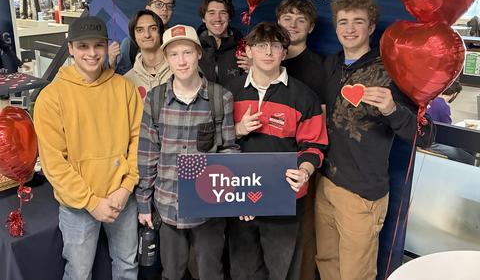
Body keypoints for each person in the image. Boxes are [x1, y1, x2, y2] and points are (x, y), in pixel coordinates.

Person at [315, 0, 435, 280]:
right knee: (326, 262)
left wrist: (392, 108)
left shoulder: (390, 71)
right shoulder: (329, 65)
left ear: (371, 27)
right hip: (324, 183)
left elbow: (425, 135)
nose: (350, 28)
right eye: (343, 22)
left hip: (362, 192)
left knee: (356, 273)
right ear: (336, 27)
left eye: (358, 21)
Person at [34, 16, 143, 280]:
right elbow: (53, 163)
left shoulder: (124, 88)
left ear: (107, 47)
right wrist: (91, 202)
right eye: (83, 46)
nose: (92, 54)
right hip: (77, 206)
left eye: (98, 45)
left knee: (127, 265)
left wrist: (125, 187)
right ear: (70, 48)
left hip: (122, 200)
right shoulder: (51, 98)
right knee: (79, 273)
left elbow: (139, 141)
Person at [225, 22, 328, 280]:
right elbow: (213, 143)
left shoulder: (304, 96)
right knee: (242, 271)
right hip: (240, 196)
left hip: (285, 198)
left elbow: (314, 145)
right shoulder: (229, 92)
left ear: (284, 52)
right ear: (249, 51)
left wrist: (305, 171)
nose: (268, 52)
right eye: (261, 45)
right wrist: (237, 130)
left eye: (275, 46)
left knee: (282, 271)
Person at [136, 24, 239, 280]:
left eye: (187, 53)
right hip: (168, 205)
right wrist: (144, 203)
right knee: (172, 273)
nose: (181, 61)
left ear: (198, 54)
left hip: (208, 209)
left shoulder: (220, 98)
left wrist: (238, 195)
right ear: (165, 58)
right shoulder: (155, 99)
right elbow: (148, 153)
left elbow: (229, 149)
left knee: (210, 272)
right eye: (173, 54)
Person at [276, 0, 325, 280]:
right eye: (287, 18)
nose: (293, 25)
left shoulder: (318, 67)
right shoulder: (263, 58)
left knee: (302, 232)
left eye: (300, 20)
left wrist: (307, 165)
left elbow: (320, 121)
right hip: (268, 158)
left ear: (311, 27)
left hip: (301, 163)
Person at [111, 0, 176, 74]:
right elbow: (123, 77)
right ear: (148, 8)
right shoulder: (130, 44)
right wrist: (112, 63)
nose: (164, 9)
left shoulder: (176, 39)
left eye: (169, 6)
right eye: (159, 4)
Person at [197, 0, 249, 86]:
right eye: (211, 13)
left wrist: (254, 70)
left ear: (229, 17)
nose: (217, 18)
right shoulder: (194, 47)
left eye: (223, 12)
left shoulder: (244, 48)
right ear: (203, 18)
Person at [124, 9, 171, 99]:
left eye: (153, 28)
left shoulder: (181, 69)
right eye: (140, 30)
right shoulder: (127, 80)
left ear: (161, 32)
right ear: (134, 36)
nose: (147, 35)